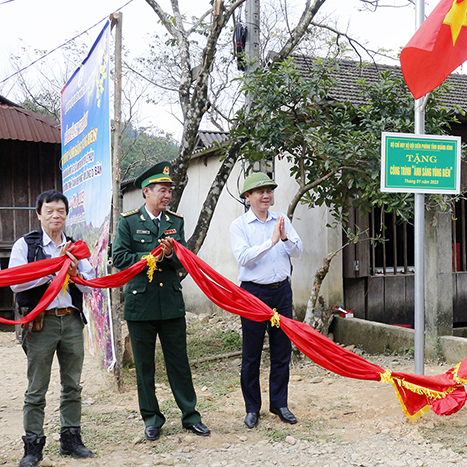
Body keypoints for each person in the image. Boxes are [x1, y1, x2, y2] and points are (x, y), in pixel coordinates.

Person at [112, 162, 210, 441]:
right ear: (146, 192)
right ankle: (152, 419)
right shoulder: (129, 221)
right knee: (144, 367)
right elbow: (119, 258)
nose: (167, 196)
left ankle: (190, 416)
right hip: (140, 304)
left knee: (179, 363)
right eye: (162, 190)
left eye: (169, 191)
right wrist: (149, 258)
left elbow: (184, 260)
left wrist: (168, 256)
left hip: (170, 303)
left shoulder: (175, 222)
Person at [9, 190, 96, 466]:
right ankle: (33, 446)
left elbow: (90, 284)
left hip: (70, 319)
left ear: (67, 215)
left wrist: (72, 272)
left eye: (61, 211)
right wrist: (52, 269)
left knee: (72, 384)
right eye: (50, 211)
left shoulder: (76, 247)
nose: (56, 215)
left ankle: (71, 439)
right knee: (36, 387)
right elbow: (16, 282)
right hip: (41, 323)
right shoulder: (25, 245)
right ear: (39, 214)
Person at [230, 173, 303, 427]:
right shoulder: (239, 225)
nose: (265, 195)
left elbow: (298, 250)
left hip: (281, 292)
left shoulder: (282, 220)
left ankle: (279, 403)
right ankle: (252, 408)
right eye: (259, 191)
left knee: (282, 350)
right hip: (253, 293)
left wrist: (283, 238)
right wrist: (271, 242)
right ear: (248, 197)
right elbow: (244, 258)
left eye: (269, 191)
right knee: (251, 353)